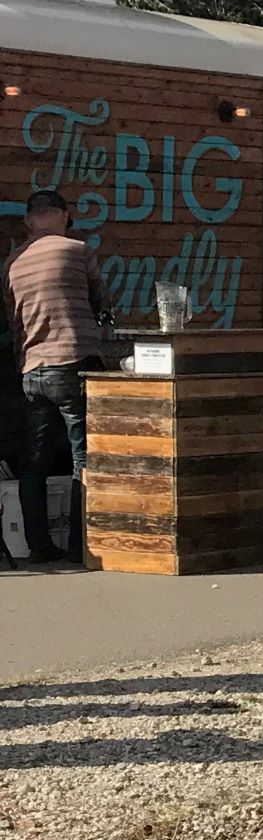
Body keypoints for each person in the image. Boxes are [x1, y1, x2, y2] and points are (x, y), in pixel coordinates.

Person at [5, 188, 107, 565]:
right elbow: (101, 302)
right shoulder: (77, 250)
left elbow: (13, 321)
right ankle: (83, 546)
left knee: (35, 460)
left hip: (32, 369)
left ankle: (38, 547)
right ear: (64, 215)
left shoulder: (13, 263)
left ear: (29, 220)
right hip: (74, 360)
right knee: (85, 453)